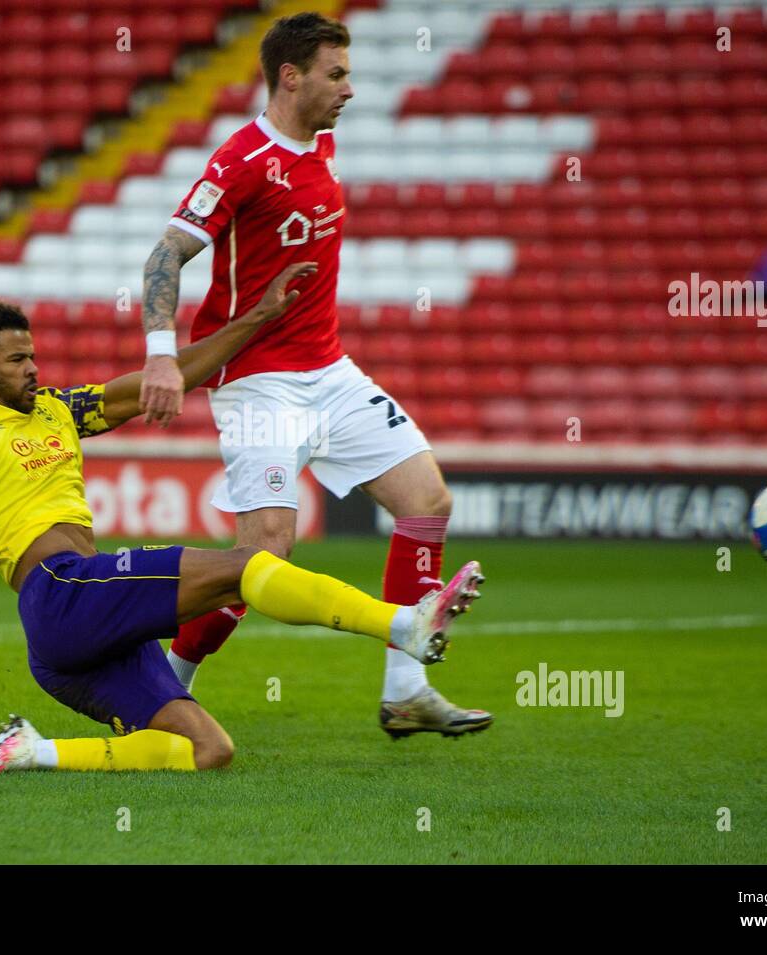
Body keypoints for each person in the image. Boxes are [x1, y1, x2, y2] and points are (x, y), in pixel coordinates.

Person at [0, 265, 485, 773]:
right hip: (62, 593)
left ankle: (33, 750)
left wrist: (258, 317)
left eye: (32, 355)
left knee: (208, 751)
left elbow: (166, 378)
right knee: (247, 566)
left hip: (69, 645)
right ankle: (405, 624)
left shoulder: (61, 408)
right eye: (16, 360)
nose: (33, 367)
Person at [137, 12, 491, 738]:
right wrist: (160, 354)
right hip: (258, 380)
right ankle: (165, 688)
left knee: (427, 499)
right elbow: (165, 255)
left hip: (329, 369)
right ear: (290, 76)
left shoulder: (323, 142)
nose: (350, 90)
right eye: (336, 74)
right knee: (264, 558)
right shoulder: (239, 160)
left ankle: (406, 689)